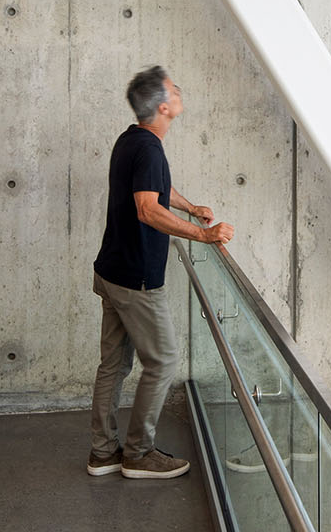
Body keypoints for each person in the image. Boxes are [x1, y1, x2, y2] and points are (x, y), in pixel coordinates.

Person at [88, 65, 235, 480]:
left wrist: (189, 207)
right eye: (174, 88)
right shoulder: (149, 147)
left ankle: (102, 454)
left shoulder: (133, 140)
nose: (179, 90)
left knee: (113, 365)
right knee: (165, 359)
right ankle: (138, 453)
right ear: (164, 106)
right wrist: (202, 236)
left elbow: (158, 188)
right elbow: (147, 207)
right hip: (135, 278)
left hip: (111, 270)